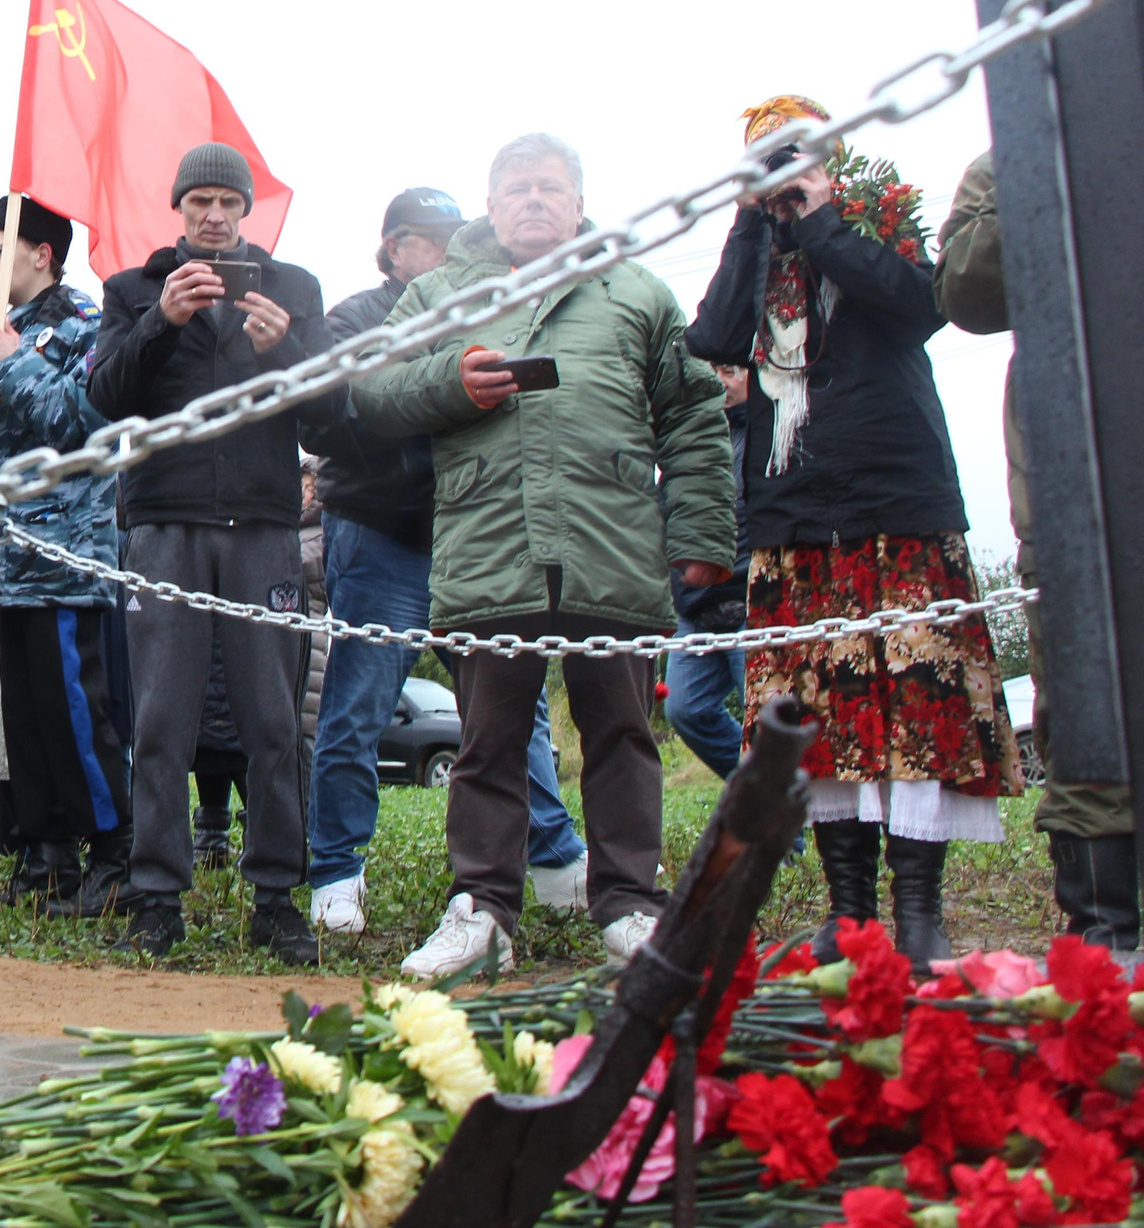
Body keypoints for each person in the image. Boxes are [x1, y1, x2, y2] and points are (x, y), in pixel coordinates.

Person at [356, 133, 735, 977]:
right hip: (491, 546)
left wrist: (705, 537)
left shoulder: (634, 289)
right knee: (487, 740)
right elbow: (372, 388)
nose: (533, 200)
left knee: (625, 733)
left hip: (615, 546)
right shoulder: (441, 292)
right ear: (489, 206)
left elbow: (695, 416)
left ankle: (632, 907)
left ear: (577, 201)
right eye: (517, 188)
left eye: (549, 187)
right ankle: (481, 912)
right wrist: (451, 381)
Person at [686, 97, 1019, 973]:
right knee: (817, 713)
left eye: (793, 155)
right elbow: (715, 338)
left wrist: (824, 214)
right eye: (766, 159)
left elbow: (921, 305)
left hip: (896, 503)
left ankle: (918, 912)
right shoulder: (756, 243)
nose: (781, 171)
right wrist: (750, 226)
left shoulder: (881, 217)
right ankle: (849, 915)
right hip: (794, 514)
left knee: (911, 704)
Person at [300, 189, 587, 937]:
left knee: (509, 704)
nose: (453, 251)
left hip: (471, 535)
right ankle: (336, 869)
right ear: (394, 247)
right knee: (358, 706)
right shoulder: (356, 318)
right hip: (379, 532)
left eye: (460, 237)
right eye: (433, 240)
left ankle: (556, 858)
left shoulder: (488, 307)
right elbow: (337, 415)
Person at [88, 144, 329, 965]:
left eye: (228, 201)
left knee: (272, 716)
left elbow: (330, 412)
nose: (214, 215)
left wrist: (285, 349)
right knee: (160, 716)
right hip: (165, 520)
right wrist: (165, 320)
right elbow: (104, 395)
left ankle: (275, 897)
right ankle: (155, 895)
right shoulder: (132, 286)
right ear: (179, 208)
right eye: (199, 201)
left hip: (263, 522)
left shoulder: (292, 288)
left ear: (248, 208)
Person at [936, 150, 1135, 950]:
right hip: (1076, 476)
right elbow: (967, 292)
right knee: (1084, 702)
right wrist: (1046, 159)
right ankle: (1105, 932)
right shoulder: (1014, 155)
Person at [0, 198, 129, 914]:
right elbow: (13, 441)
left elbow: (83, 425)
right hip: (7, 559)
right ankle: (46, 852)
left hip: (63, 554)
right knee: (26, 717)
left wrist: (14, 364)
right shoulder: (7, 333)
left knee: (76, 713)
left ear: (42, 253)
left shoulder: (86, 323)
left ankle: (114, 852)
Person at [663, 363, 752, 780]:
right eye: (714, 371)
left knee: (766, 719)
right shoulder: (690, 439)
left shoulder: (768, 434)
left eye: (732, 370)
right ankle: (766, 799)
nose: (721, 381)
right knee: (685, 709)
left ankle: (785, 830)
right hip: (694, 606)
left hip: (749, 595)